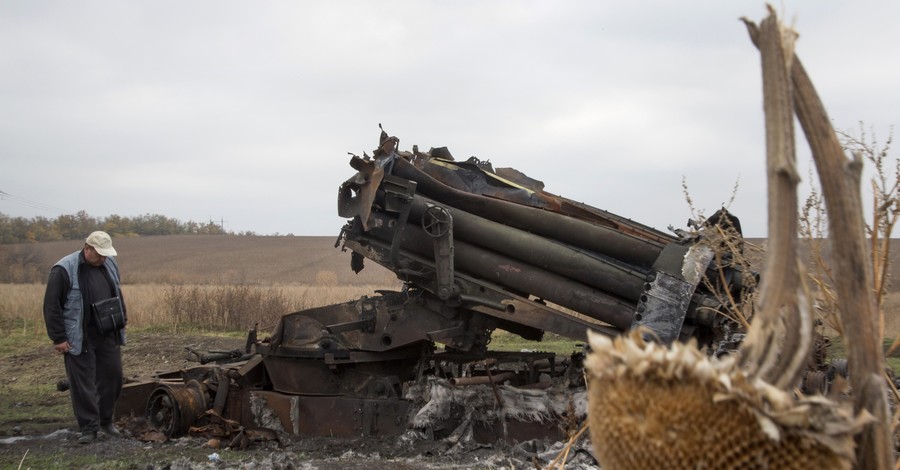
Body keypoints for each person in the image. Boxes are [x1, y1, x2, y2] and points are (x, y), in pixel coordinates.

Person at [43, 231, 127, 444]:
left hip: (107, 332)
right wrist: (58, 338)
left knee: (113, 378)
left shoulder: (109, 264)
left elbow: (117, 292)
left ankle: (107, 422)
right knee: (83, 384)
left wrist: (122, 318)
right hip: (80, 336)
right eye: (99, 254)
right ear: (87, 248)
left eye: (106, 254)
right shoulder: (63, 269)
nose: (103, 258)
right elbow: (52, 306)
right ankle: (89, 428)